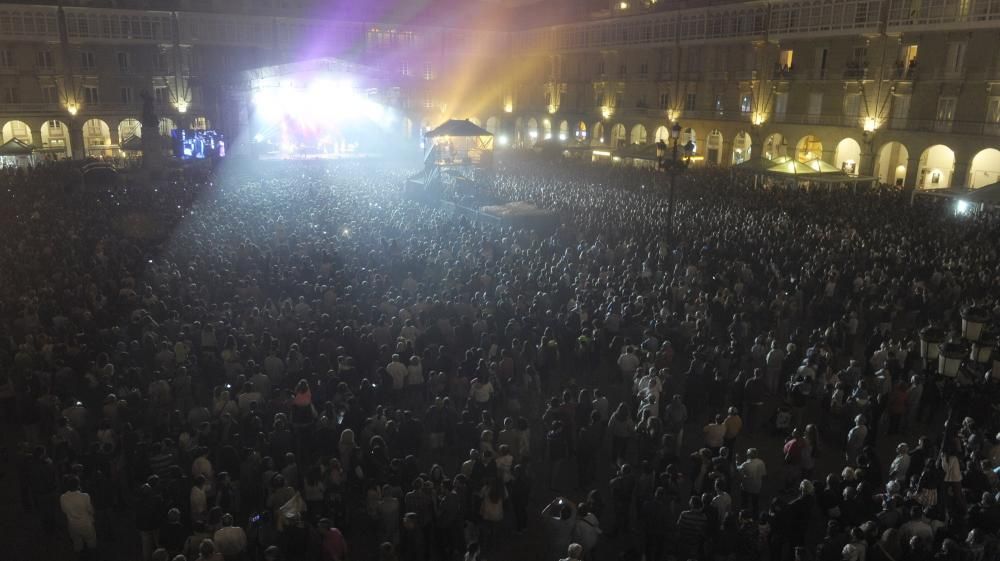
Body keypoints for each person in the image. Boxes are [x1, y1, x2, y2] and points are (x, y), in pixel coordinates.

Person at [60, 475, 97, 558]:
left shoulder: (62, 497)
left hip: (73, 525)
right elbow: (91, 510)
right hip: (86, 524)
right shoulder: (85, 496)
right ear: (78, 485)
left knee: (77, 545)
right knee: (91, 543)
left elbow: (64, 511)